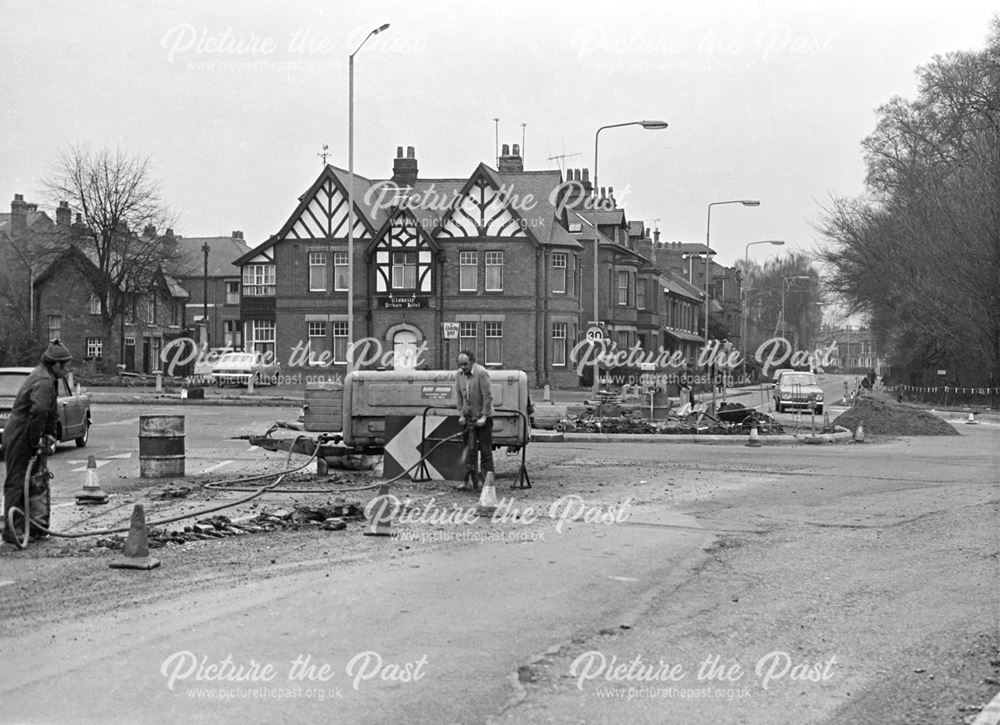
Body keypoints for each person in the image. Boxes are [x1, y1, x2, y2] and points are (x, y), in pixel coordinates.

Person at [1, 339, 71, 544]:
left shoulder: (49, 378)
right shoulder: (43, 381)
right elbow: (39, 411)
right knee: (17, 482)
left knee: (35, 482)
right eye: (65, 366)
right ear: (55, 364)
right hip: (20, 437)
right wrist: (34, 442)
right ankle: (13, 531)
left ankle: (36, 527)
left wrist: (49, 435)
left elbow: (50, 412)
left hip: (26, 435)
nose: (67, 370)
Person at [454, 350, 494, 491]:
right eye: (461, 364)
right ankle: (467, 482)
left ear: (472, 362)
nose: (463, 367)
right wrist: (461, 414)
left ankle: (487, 484)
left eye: (465, 364)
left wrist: (484, 416)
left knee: (485, 451)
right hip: (468, 419)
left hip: (482, 419)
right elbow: (459, 395)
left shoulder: (481, 373)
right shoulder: (459, 375)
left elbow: (488, 396)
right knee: (467, 451)